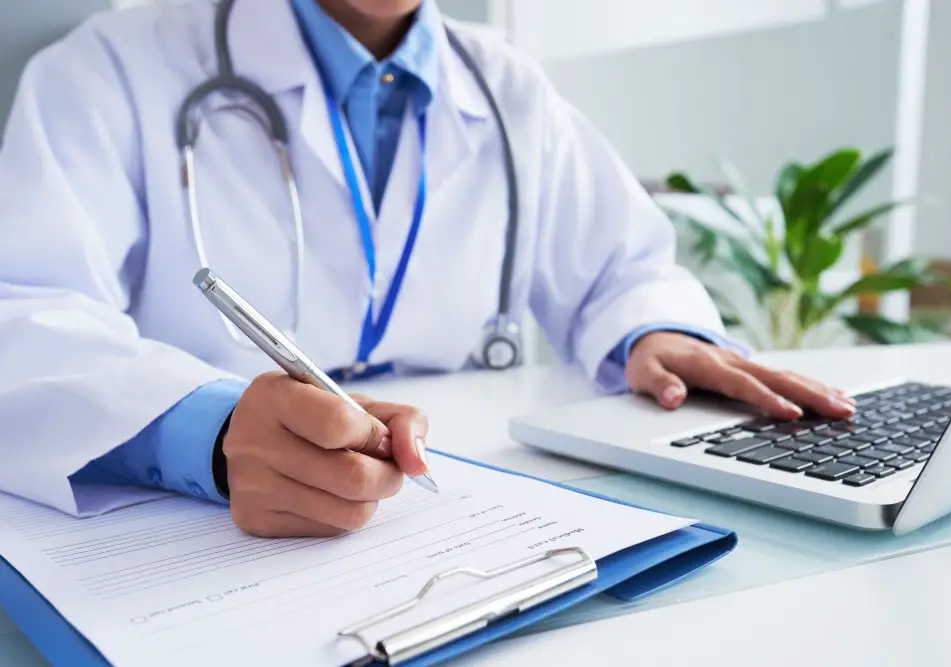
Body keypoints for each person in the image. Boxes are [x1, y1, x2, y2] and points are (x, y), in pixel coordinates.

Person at [0, 0, 855, 538]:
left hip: (462, 525)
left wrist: (654, 328)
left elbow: (622, 267)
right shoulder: (108, 67)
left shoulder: (512, 88)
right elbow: (23, 316)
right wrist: (209, 433)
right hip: (204, 549)